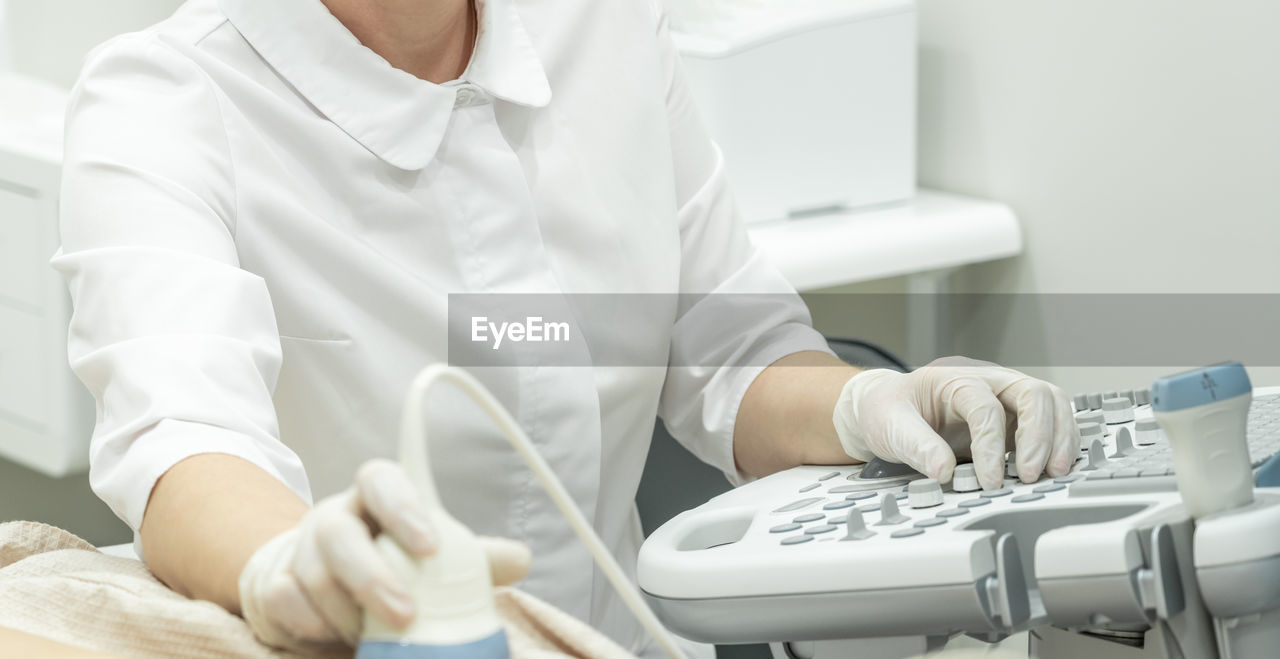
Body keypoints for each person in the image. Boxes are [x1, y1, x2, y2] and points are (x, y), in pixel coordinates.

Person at [53, 0, 1079, 656]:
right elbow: (186, 449)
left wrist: (867, 403)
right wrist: (293, 566)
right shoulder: (164, 101)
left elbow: (729, 350)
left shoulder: (607, 27)